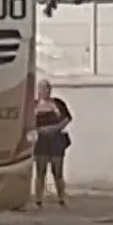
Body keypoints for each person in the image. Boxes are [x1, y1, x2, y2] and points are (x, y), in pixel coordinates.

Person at [32, 79, 72, 207]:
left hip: (56, 140)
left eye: (47, 88)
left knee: (58, 170)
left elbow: (67, 119)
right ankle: (38, 199)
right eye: (42, 88)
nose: (44, 91)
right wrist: (38, 130)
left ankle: (61, 197)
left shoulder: (57, 103)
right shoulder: (33, 105)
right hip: (41, 140)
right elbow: (28, 122)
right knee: (40, 170)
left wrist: (55, 128)